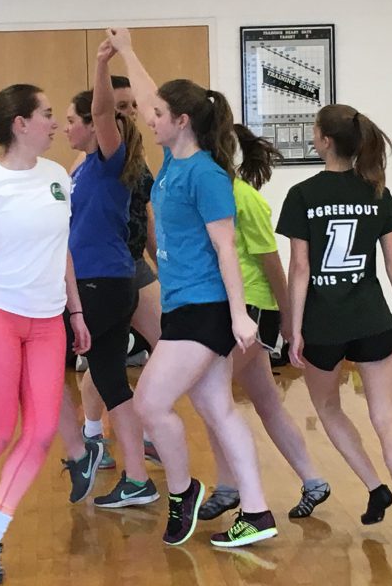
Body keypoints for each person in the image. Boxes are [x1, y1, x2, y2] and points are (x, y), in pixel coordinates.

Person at [106, 27, 277, 548]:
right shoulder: (174, 162)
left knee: (151, 403)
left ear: (182, 122)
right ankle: (257, 511)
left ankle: (183, 491)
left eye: (157, 115)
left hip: (207, 309)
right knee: (217, 409)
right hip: (187, 306)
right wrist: (129, 51)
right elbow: (152, 93)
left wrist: (241, 315)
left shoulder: (206, 175)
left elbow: (227, 249)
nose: (146, 118)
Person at [0, 84, 93, 585]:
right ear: (20, 125)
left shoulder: (57, 177)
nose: (55, 123)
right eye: (47, 115)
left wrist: (76, 312)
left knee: (44, 431)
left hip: (48, 323)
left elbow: (63, 250)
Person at [275, 104, 392, 548]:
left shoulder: (303, 194)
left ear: (324, 140)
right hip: (373, 321)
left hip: (324, 325)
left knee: (328, 410)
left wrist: (295, 329)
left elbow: (299, 270)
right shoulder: (375, 191)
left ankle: (373, 485)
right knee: (388, 419)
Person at [198, 124, 332, 522]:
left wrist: (291, 321)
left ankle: (229, 487)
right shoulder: (217, 193)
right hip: (238, 311)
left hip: (254, 311)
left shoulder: (244, 198)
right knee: (267, 403)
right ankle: (314, 481)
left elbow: (273, 263)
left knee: (211, 395)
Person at [58, 40, 157, 508]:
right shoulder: (79, 171)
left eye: (73, 121)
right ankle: (134, 474)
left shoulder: (107, 158)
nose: (67, 128)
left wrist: (102, 63)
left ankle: (97, 450)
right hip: (97, 282)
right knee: (113, 380)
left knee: (108, 378)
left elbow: (102, 113)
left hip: (103, 283)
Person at [76, 73, 163, 471]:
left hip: (130, 267)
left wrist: (162, 265)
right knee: (104, 360)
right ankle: (93, 431)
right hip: (102, 271)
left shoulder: (133, 156)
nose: (127, 112)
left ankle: (144, 431)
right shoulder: (92, 156)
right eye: (120, 106)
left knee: (169, 343)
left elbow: (144, 216)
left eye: (131, 106)